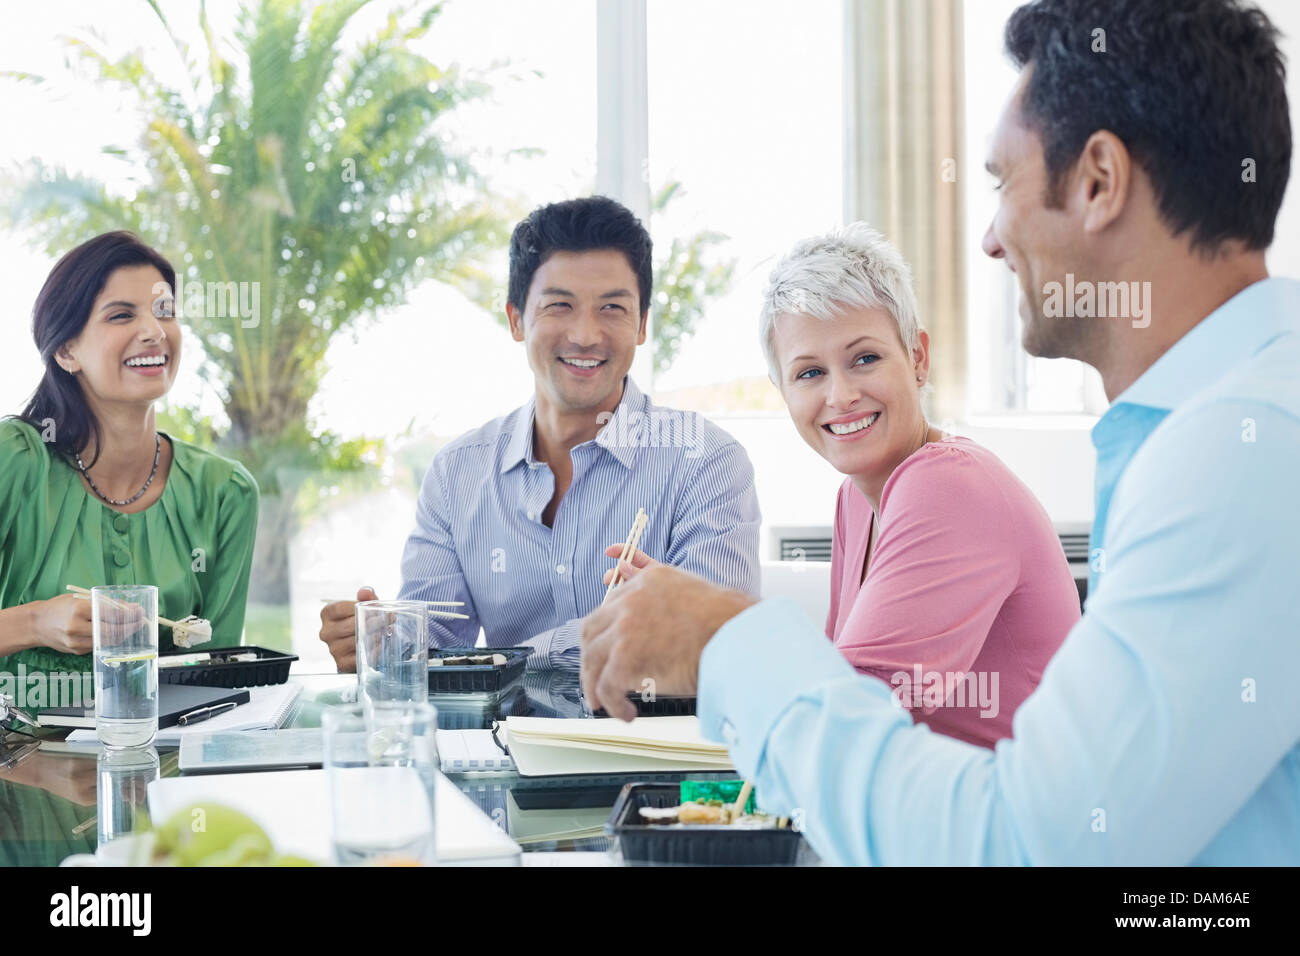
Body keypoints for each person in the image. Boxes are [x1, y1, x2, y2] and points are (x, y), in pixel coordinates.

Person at [581, 0, 1300, 864]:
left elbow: (1028, 843)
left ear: (1100, 180)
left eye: (1002, 182)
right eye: (808, 372)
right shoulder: (1212, 427)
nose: (991, 239)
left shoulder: (1239, 451)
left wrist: (723, 638)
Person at [320, 196, 760, 671]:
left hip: (644, 744)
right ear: (516, 320)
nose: (586, 334)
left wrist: (507, 662)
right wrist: (380, 643)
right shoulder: (456, 474)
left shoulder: (706, 462)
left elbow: (718, 649)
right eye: (559, 306)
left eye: (612, 307)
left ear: (642, 324)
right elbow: (433, 649)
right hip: (499, 743)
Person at [760, 224, 1078, 747]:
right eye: (809, 373)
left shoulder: (947, 483)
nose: (840, 396)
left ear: (918, 359)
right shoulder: (856, 500)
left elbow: (847, 716)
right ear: (784, 392)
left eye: (865, 359)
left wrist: (706, 632)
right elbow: (836, 684)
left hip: (1022, 816)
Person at [0, 232, 260, 689]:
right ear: (67, 350)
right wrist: (37, 622)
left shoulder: (226, 493)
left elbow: (215, 678)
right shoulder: (14, 461)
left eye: (165, 312)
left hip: (163, 754)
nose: (155, 332)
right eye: (122, 315)